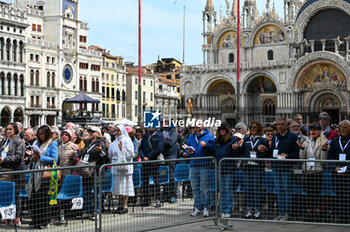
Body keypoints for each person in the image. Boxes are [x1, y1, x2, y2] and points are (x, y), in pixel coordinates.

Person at [235, 121, 269, 219]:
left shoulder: (263, 140)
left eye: (254, 127)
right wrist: (237, 147)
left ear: (258, 128)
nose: (253, 129)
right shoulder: (247, 139)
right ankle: (250, 209)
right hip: (247, 167)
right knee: (248, 189)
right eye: (251, 127)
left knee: (256, 189)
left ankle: (258, 209)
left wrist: (264, 150)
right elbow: (242, 151)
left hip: (257, 167)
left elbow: (267, 153)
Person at [271, 118, 299, 221]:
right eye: (278, 124)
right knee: (279, 190)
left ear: (287, 126)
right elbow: (273, 150)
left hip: (286, 167)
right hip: (276, 167)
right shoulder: (275, 137)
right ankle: (281, 212)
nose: (280, 126)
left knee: (287, 190)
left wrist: (287, 156)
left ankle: (287, 213)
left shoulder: (292, 136)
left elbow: (296, 153)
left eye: (282, 124)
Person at [299, 123, 328, 221]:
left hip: (317, 171)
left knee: (316, 193)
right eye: (311, 130)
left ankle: (317, 212)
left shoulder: (324, 142)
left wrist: (324, 150)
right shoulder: (306, 142)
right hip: (307, 170)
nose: (313, 132)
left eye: (315, 130)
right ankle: (309, 212)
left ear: (320, 132)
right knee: (308, 193)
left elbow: (323, 161)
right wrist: (302, 148)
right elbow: (302, 158)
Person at [186, 121, 215, 217]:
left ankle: (206, 208)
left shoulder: (209, 136)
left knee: (205, 188)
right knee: (195, 188)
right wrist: (188, 151)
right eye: (195, 124)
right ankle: (197, 207)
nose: (197, 126)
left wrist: (206, 145)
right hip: (193, 164)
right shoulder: (191, 136)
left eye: (199, 124)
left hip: (204, 164)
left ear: (203, 125)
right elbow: (187, 148)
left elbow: (213, 148)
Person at [80, 126, 108, 219]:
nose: (91, 133)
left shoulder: (101, 142)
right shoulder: (87, 142)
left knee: (97, 193)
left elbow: (106, 157)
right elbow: (84, 153)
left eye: (93, 131)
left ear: (97, 133)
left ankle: (97, 212)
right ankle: (87, 210)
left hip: (97, 170)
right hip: (87, 170)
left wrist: (101, 151)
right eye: (90, 131)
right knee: (86, 191)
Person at [109, 125, 135, 214]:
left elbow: (131, 154)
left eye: (118, 130)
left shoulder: (127, 141)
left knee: (125, 187)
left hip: (125, 168)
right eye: (115, 130)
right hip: (116, 167)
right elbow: (111, 155)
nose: (116, 132)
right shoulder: (113, 142)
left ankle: (125, 205)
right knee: (118, 188)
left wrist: (122, 150)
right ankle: (120, 205)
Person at [214, 122, 238, 218]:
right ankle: (223, 209)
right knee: (222, 190)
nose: (222, 131)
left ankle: (228, 210)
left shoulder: (232, 140)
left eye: (224, 129)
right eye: (220, 129)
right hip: (220, 168)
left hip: (229, 169)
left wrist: (236, 148)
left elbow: (236, 153)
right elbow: (213, 151)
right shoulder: (217, 140)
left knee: (228, 190)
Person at [328, 120, 350, 223]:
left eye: (345, 127)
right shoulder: (335, 141)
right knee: (339, 194)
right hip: (337, 173)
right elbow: (331, 156)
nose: (342, 129)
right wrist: (335, 167)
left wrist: (347, 169)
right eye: (341, 127)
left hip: (348, 172)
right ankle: (340, 216)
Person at [139, 127, 164, 207]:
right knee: (145, 181)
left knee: (156, 181)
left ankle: (158, 199)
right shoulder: (146, 135)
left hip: (154, 162)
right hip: (145, 162)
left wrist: (148, 157)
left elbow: (159, 149)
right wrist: (143, 157)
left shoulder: (159, 135)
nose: (149, 128)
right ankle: (146, 199)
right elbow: (140, 148)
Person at [27, 145, 50, 229]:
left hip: (43, 178)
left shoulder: (52, 144)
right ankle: (35, 221)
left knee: (43, 201)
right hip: (34, 178)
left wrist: (40, 157)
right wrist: (31, 159)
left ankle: (44, 222)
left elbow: (54, 159)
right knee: (34, 201)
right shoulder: (36, 143)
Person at [162, 125, 178, 203]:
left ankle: (173, 195)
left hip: (171, 157)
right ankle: (166, 194)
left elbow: (171, 142)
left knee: (171, 177)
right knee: (164, 176)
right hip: (163, 158)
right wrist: (164, 139)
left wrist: (162, 141)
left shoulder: (173, 131)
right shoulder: (161, 130)